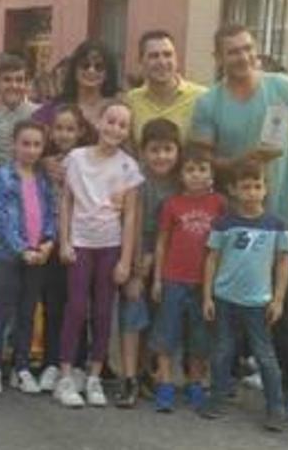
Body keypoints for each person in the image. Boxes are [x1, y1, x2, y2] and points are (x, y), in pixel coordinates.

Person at [191, 23, 288, 424]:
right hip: (235, 223)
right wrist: (240, 162)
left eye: (247, 48)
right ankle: (228, 382)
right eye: (233, 51)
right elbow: (203, 160)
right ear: (219, 57)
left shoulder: (282, 87)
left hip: (283, 219)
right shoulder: (210, 104)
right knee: (232, 307)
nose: (242, 56)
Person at [55, 100, 143, 408]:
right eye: (111, 121)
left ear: (128, 131)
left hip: (110, 245)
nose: (115, 129)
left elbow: (130, 216)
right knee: (77, 307)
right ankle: (65, 375)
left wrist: (125, 260)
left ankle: (93, 376)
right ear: (100, 122)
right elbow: (66, 201)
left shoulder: (128, 167)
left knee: (104, 312)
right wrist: (64, 241)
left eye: (122, 124)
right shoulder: (76, 159)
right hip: (80, 243)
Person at [200, 163, 288, 431]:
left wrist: (278, 299)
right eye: (245, 187)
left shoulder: (276, 225)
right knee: (222, 351)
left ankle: (275, 407)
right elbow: (211, 258)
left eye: (257, 186)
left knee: (265, 354)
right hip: (225, 299)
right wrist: (207, 297)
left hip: (258, 302)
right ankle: (217, 398)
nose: (252, 192)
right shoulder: (224, 223)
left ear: (266, 189)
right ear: (233, 190)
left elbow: (283, 263)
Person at [150, 146, 224, 413]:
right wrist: (157, 279)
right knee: (166, 334)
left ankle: (195, 383)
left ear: (212, 174)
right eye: (190, 170)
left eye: (202, 169)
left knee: (199, 337)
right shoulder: (172, 204)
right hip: (173, 278)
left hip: (204, 284)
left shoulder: (219, 204)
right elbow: (161, 243)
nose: (196, 175)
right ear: (181, 175)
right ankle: (166, 384)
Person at [0, 120, 55, 394]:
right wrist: (20, 248)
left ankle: (21, 367)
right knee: (3, 309)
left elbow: (50, 213)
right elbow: (1, 218)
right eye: (26, 143)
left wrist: (47, 243)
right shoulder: (3, 176)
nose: (31, 150)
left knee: (27, 312)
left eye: (37, 145)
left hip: (38, 255)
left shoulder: (43, 179)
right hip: (11, 256)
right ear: (14, 144)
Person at [115, 117, 181, 408]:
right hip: (136, 254)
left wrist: (156, 258)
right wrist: (134, 268)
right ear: (142, 151)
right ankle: (128, 377)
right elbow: (132, 224)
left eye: (168, 149)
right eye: (155, 150)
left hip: (167, 261)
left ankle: (145, 373)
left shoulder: (181, 184)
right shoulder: (137, 181)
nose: (161, 156)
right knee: (133, 314)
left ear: (178, 151)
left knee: (156, 320)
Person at [36, 103, 91, 393]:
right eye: (59, 128)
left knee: (78, 305)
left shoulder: (88, 161)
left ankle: (77, 362)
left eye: (70, 128)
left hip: (81, 242)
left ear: (81, 131)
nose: (64, 134)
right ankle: (51, 362)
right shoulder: (45, 163)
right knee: (52, 304)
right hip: (52, 241)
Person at [125, 31, 208, 141]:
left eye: (168, 55)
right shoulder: (132, 101)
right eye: (154, 56)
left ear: (176, 59)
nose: (162, 62)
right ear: (141, 61)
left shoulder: (202, 98)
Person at [33, 40, 121, 131]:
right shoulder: (56, 108)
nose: (91, 71)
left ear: (108, 73)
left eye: (98, 67)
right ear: (74, 70)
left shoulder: (115, 108)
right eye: (85, 65)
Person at [0, 54, 39, 167]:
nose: (14, 85)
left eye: (19, 80)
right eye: (7, 80)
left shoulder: (39, 114)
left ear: (26, 84)